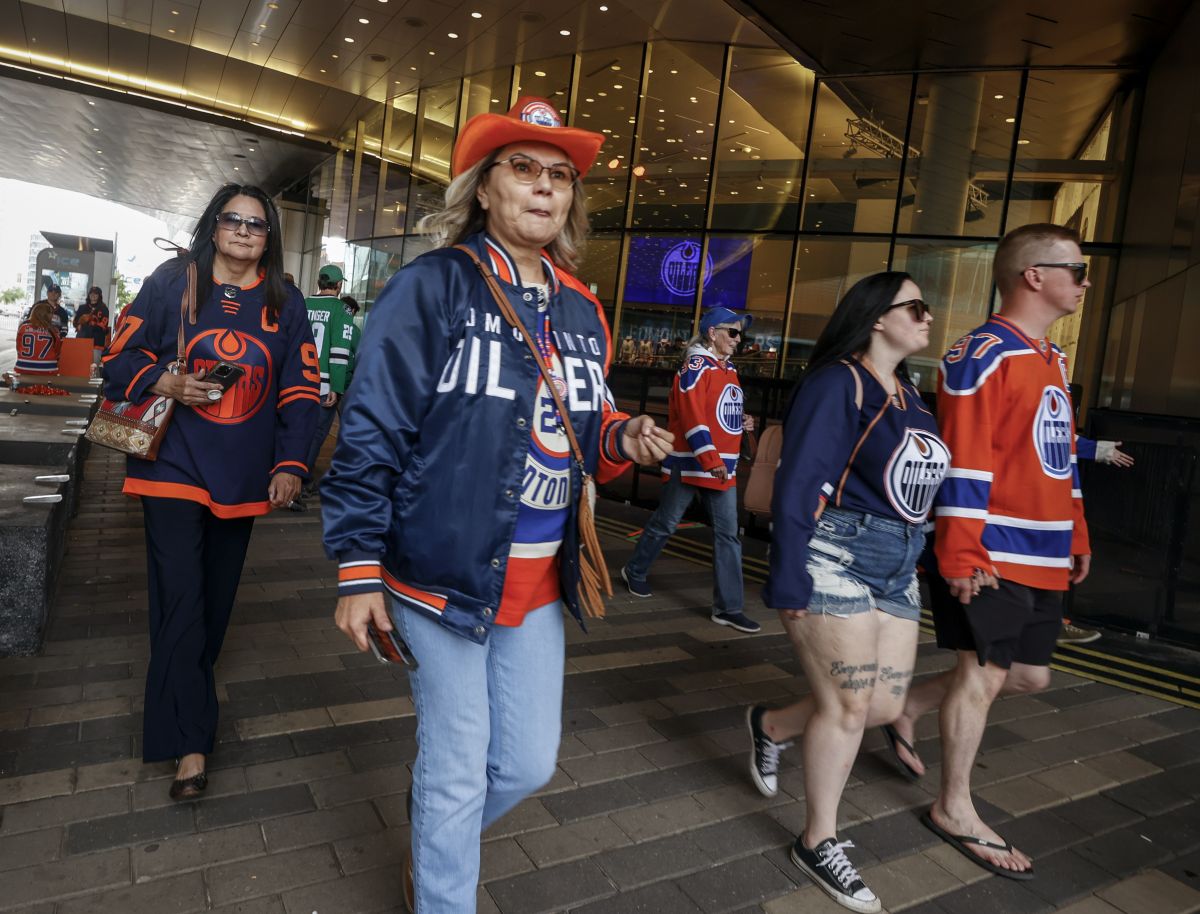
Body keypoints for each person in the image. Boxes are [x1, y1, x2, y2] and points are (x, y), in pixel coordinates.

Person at [321, 97, 673, 914]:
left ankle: (437, 844)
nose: (545, 188)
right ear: (483, 189)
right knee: (455, 760)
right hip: (438, 570)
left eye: (560, 176)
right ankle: (445, 890)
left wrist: (626, 438)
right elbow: (371, 430)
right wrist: (357, 567)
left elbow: (582, 427)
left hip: (540, 579)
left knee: (526, 764)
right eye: (523, 168)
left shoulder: (584, 309)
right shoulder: (431, 288)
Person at [102, 183, 319, 801]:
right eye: (234, 220)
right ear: (213, 226)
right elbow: (119, 352)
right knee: (180, 597)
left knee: (213, 605)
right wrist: (164, 379)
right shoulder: (175, 281)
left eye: (257, 224)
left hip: (243, 477)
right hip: (170, 465)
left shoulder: (286, 301)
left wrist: (293, 464)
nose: (245, 231)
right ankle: (192, 745)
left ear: (269, 236)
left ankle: (180, 709)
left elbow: (301, 390)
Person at [886, 223, 1091, 881]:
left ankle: (911, 706)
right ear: (1036, 275)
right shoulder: (979, 353)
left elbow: (1058, 458)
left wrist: (1077, 532)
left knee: (1027, 676)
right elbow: (964, 463)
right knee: (985, 673)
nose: (1086, 282)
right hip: (993, 551)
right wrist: (961, 552)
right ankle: (954, 807)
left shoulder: (1052, 358)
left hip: (1044, 550)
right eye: (1078, 270)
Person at [748, 273, 946, 913]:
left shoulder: (913, 397)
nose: (928, 317)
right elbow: (801, 478)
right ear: (876, 318)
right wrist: (787, 574)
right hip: (834, 554)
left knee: (884, 706)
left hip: (899, 562)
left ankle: (770, 723)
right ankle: (818, 840)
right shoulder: (840, 382)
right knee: (849, 708)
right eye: (915, 307)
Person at [620, 307, 762, 634]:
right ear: (713, 332)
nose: (739, 340)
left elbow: (716, 413)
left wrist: (742, 421)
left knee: (728, 535)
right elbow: (692, 414)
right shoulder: (695, 367)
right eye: (733, 332)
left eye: (741, 334)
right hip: (693, 462)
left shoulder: (726, 370)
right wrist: (710, 459)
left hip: (718, 466)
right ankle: (636, 570)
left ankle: (728, 608)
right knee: (666, 523)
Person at [293, 265, 360, 507]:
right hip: (323, 385)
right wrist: (337, 386)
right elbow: (340, 352)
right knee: (315, 434)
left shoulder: (302, 304)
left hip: (297, 381)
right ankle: (299, 483)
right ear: (339, 285)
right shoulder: (342, 309)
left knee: (294, 430)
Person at [15, 301, 63, 375]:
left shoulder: (23, 327)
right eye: (51, 313)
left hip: (23, 367)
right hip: (48, 369)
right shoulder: (53, 330)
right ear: (46, 315)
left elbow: (18, 347)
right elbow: (57, 350)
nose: (52, 316)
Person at [74, 286, 111, 357]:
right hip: (82, 340)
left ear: (99, 296)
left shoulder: (104, 309)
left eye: (96, 294)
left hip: (97, 342)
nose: (93, 295)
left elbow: (104, 327)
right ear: (88, 295)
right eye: (91, 293)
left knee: (94, 366)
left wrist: (91, 323)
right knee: (79, 365)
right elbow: (75, 323)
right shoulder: (82, 308)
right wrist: (79, 323)